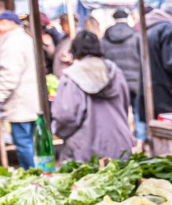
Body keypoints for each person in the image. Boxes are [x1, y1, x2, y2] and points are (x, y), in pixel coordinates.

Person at [51, 31, 132, 163]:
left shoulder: (71, 77)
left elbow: (65, 116)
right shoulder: (115, 72)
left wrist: (59, 132)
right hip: (119, 144)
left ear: (75, 50)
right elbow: (124, 105)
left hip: (85, 151)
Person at [0, 10, 40, 169]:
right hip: (29, 101)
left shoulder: (12, 44)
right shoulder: (24, 39)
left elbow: (9, 76)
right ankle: (38, 173)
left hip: (20, 103)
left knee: (23, 142)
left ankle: (31, 174)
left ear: (10, 24)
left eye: (0, 24)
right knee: (31, 142)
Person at [102, 9, 144, 146]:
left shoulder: (105, 38)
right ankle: (140, 141)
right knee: (138, 112)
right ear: (127, 18)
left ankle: (123, 141)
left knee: (120, 113)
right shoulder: (136, 36)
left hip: (115, 82)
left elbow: (103, 60)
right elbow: (143, 59)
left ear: (114, 19)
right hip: (135, 81)